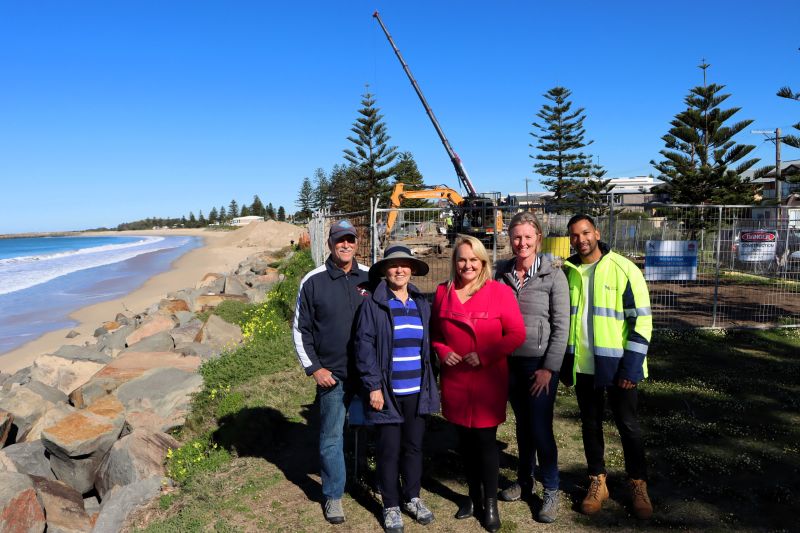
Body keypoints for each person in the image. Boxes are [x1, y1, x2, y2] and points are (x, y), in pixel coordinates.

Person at [431, 235, 526, 533]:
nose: (467, 264)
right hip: (456, 380)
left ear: (483, 262)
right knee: (464, 444)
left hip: (487, 381)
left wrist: (484, 355)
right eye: (462, 259)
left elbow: (516, 334)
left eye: (474, 259)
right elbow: (435, 334)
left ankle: (490, 504)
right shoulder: (442, 292)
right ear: (454, 262)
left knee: (485, 443)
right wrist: (443, 352)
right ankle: (472, 498)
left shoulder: (499, 292)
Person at [562, 214, 654, 520]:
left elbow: (641, 321)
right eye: (575, 235)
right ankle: (597, 482)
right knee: (590, 425)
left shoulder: (624, 268)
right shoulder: (568, 271)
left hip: (618, 367)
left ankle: (638, 485)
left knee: (628, 426)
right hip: (584, 366)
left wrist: (631, 367)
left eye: (585, 233)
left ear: (597, 233)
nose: (581, 239)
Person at [355, 245, 440, 533]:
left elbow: (427, 347)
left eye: (405, 265)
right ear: (384, 271)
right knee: (388, 451)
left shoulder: (420, 302)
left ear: (412, 269)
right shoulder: (374, 303)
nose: (399, 270)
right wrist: (374, 387)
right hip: (387, 394)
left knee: (414, 448)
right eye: (393, 266)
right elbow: (364, 347)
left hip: (417, 391)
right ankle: (391, 504)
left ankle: (412, 497)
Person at [293, 219, 371, 525]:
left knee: (366, 427)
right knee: (330, 436)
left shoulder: (370, 277)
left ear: (356, 242)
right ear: (330, 243)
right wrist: (315, 369)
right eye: (340, 239)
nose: (346, 244)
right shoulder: (313, 281)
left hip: (367, 375)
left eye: (350, 239)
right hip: (332, 375)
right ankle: (334, 494)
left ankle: (363, 474)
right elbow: (301, 330)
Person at [494, 212, 569, 523]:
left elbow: (562, 326)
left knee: (540, 428)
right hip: (509, 364)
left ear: (539, 237)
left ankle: (551, 488)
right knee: (522, 426)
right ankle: (524, 480)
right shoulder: (501, 273)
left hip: (539, 367)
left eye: (527, 236)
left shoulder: (553, 275)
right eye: (516, 237)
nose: (521, 243)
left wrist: (549, 368)